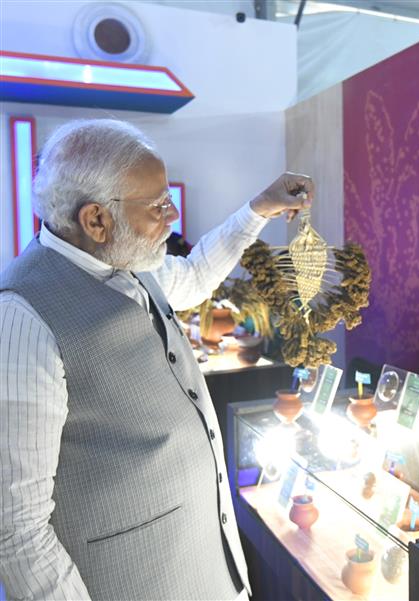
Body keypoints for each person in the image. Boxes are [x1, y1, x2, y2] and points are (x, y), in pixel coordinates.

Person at [0, 119, 314, 600]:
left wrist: (259, 210)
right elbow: (18, 533)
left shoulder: (127, 257)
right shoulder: (22, 319)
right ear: (96, 220)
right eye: (158, 205)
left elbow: (192, 276)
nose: (171, 215)